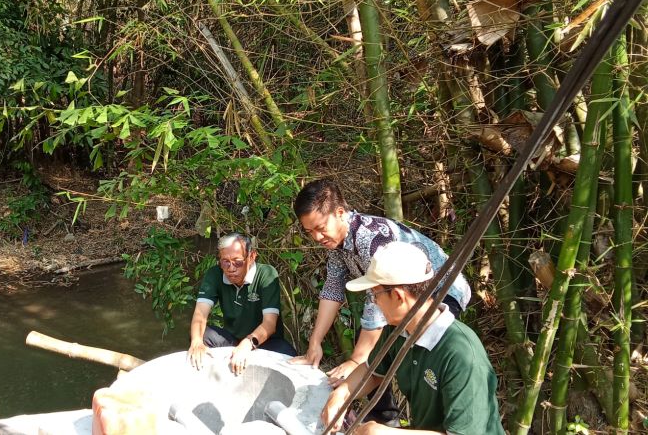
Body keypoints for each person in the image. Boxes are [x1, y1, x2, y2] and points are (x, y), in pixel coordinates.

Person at [290, 179, 472, 424]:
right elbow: (332, 287)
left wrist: (356, 360)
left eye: (320, 227)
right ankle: (386, 419)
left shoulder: (371, 236)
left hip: (440, 291)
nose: (316, 236)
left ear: (340, 213)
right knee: (373, 352)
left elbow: (377, 301)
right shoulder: (335, 244)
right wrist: (315, 341)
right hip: (396, 299)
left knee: (417, 360)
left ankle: (431, 424)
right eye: (310, 231)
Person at [321, 241, 504, 434]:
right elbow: (372, 371)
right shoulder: (398, 330)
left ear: (399, 296)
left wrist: (385, 432)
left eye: (375, 296)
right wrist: (341, 395)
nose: (374, 302)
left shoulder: (462, 355)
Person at [188, 233, 296, 375]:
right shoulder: (214, 274)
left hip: (263, 342)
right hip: (232, 339)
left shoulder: (266, 274)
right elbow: (200, 313)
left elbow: (269, 324)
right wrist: (196, 342)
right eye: (225, 262)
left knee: (290, 356)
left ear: (251, 257)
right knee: (203, 335)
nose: (231, 268)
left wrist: (247, 344)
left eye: (237, 262)